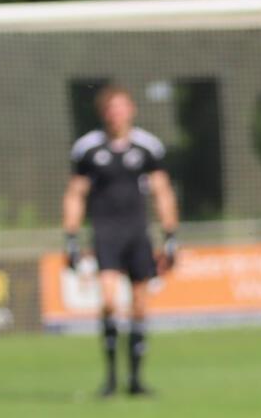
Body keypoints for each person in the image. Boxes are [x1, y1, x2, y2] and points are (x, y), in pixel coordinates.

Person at [64, 85, 178, 397]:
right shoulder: (88, 149)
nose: (116, 114)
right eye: (111, 108)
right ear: (104, 113)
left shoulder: (147, 147)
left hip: (137, 234)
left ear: (131, 110)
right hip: (106, 234)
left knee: (140, 306)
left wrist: (171, 235)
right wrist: (71, 236)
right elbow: (76, 194)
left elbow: (162, 191)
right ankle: (111, 378)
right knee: (110, 301)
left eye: (121, 107)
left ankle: (136, 380)